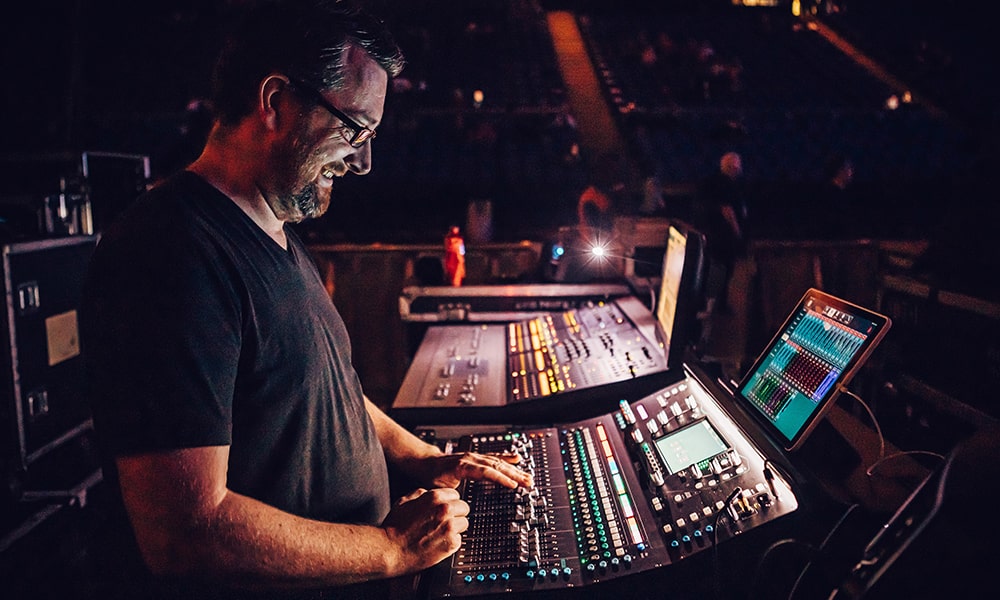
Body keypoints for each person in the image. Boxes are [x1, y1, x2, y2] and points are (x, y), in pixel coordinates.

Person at [79, 2, 531, 599]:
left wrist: (426, 458)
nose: (363, 162)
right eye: (354, 130)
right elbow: (185, 531)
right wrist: (391, 550)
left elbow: (324, 392)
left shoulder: (277, 237)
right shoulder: (169, 253)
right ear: (274, 101)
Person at [694, 151, 749, 314]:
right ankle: (717, 306)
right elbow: (728, 211)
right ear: (733, 167)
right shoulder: (725, 185)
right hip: (721, 236)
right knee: (721, 271)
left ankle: (708, 304)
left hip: (710, 234)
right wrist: (738, 233)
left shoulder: (710, 182)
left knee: (712, 270)